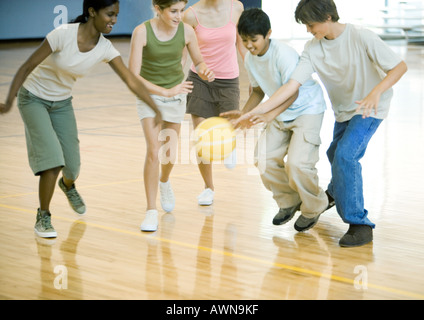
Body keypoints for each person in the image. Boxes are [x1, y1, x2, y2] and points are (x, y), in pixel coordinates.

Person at [232, 0, 407, 247]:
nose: (307, 29)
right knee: (335, 154)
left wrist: (376, 92)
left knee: (345, 157)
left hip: (370, 108)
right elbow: (292, 86)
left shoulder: (360, 36)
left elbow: (399, 66)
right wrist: (253, 113)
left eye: (310, 24)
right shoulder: (312, 49)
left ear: (327, 17)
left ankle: (359, 223)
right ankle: (334, 192)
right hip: (343, 110)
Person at [0, 0, 162, 238]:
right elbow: (27, 66)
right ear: (92, 12)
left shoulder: (105, 48)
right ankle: (43, 217)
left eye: (116, 15)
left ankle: (68, 185)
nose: (114, 21)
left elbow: (130, 79)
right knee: (53, 161)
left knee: (72, 167)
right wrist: (9, 100)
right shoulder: (62, 35)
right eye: (109, 14)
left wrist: (154, 106)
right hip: (33, 98)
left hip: (62, 102)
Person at [222, 8, 330, 231]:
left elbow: (294, 92)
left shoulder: (284, 54)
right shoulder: (251, 59)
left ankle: (315, 206)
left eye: (254, 40)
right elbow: (258, 91)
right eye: (244, 40)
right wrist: (244, 113)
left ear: (268, 33)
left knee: (298, 164)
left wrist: (264, 113)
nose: (250, 45)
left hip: (306, 108)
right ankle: (289, 202)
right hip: (279, 110)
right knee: (263, 158)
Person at [128, 0, 215, 232]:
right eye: (173, 11)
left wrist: (205, 70)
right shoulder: (141, 32)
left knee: (169, 153)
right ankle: (150, 211)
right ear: (158, 8)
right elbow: (133, 76)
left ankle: (164, 181)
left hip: (176, 95)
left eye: (181, 11)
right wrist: (164, 91)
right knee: (153, 151)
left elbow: (198, 61)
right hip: (150, 96)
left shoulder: (186, 31)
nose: (178, 16)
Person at [183, 0, 245, 206]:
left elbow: (241, 43)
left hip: (229, 80)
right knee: (202, 135)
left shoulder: (236, 7)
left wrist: (254, 72)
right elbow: (183, 51)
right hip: (200, 79)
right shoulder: (191, 15)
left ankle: (230, 145)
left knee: (229, 125)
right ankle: (208, 187)